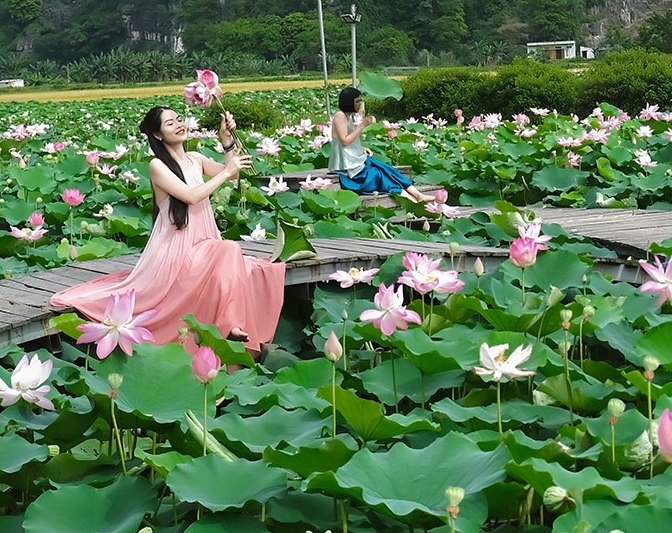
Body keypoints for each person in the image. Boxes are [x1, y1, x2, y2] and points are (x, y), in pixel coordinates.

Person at [52, 105, 285, 354]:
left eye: (179, 119)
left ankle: (232, 324)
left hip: (205, 245)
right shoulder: (157, 166)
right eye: (170, 123)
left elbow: (231, 175)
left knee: (233, 254)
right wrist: (227, 171)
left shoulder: (195, 159)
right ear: (158, 134)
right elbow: (191, 196)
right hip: (178, 253)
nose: (179, 124)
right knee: (229, 250)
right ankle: (231, 325)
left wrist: (226, 140)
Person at [329, 86, 442, 205]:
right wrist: (362, 125)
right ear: (348, 102)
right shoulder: (340, 116)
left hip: (354, 160)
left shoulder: (348, 116)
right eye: (357, 101)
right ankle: (412, 201)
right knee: (379, 174)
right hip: (346, 168)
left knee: (386, 168)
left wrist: (361, 148)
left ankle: (418, 195)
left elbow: (344, 143)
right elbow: (344, 141)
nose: (360, 104)